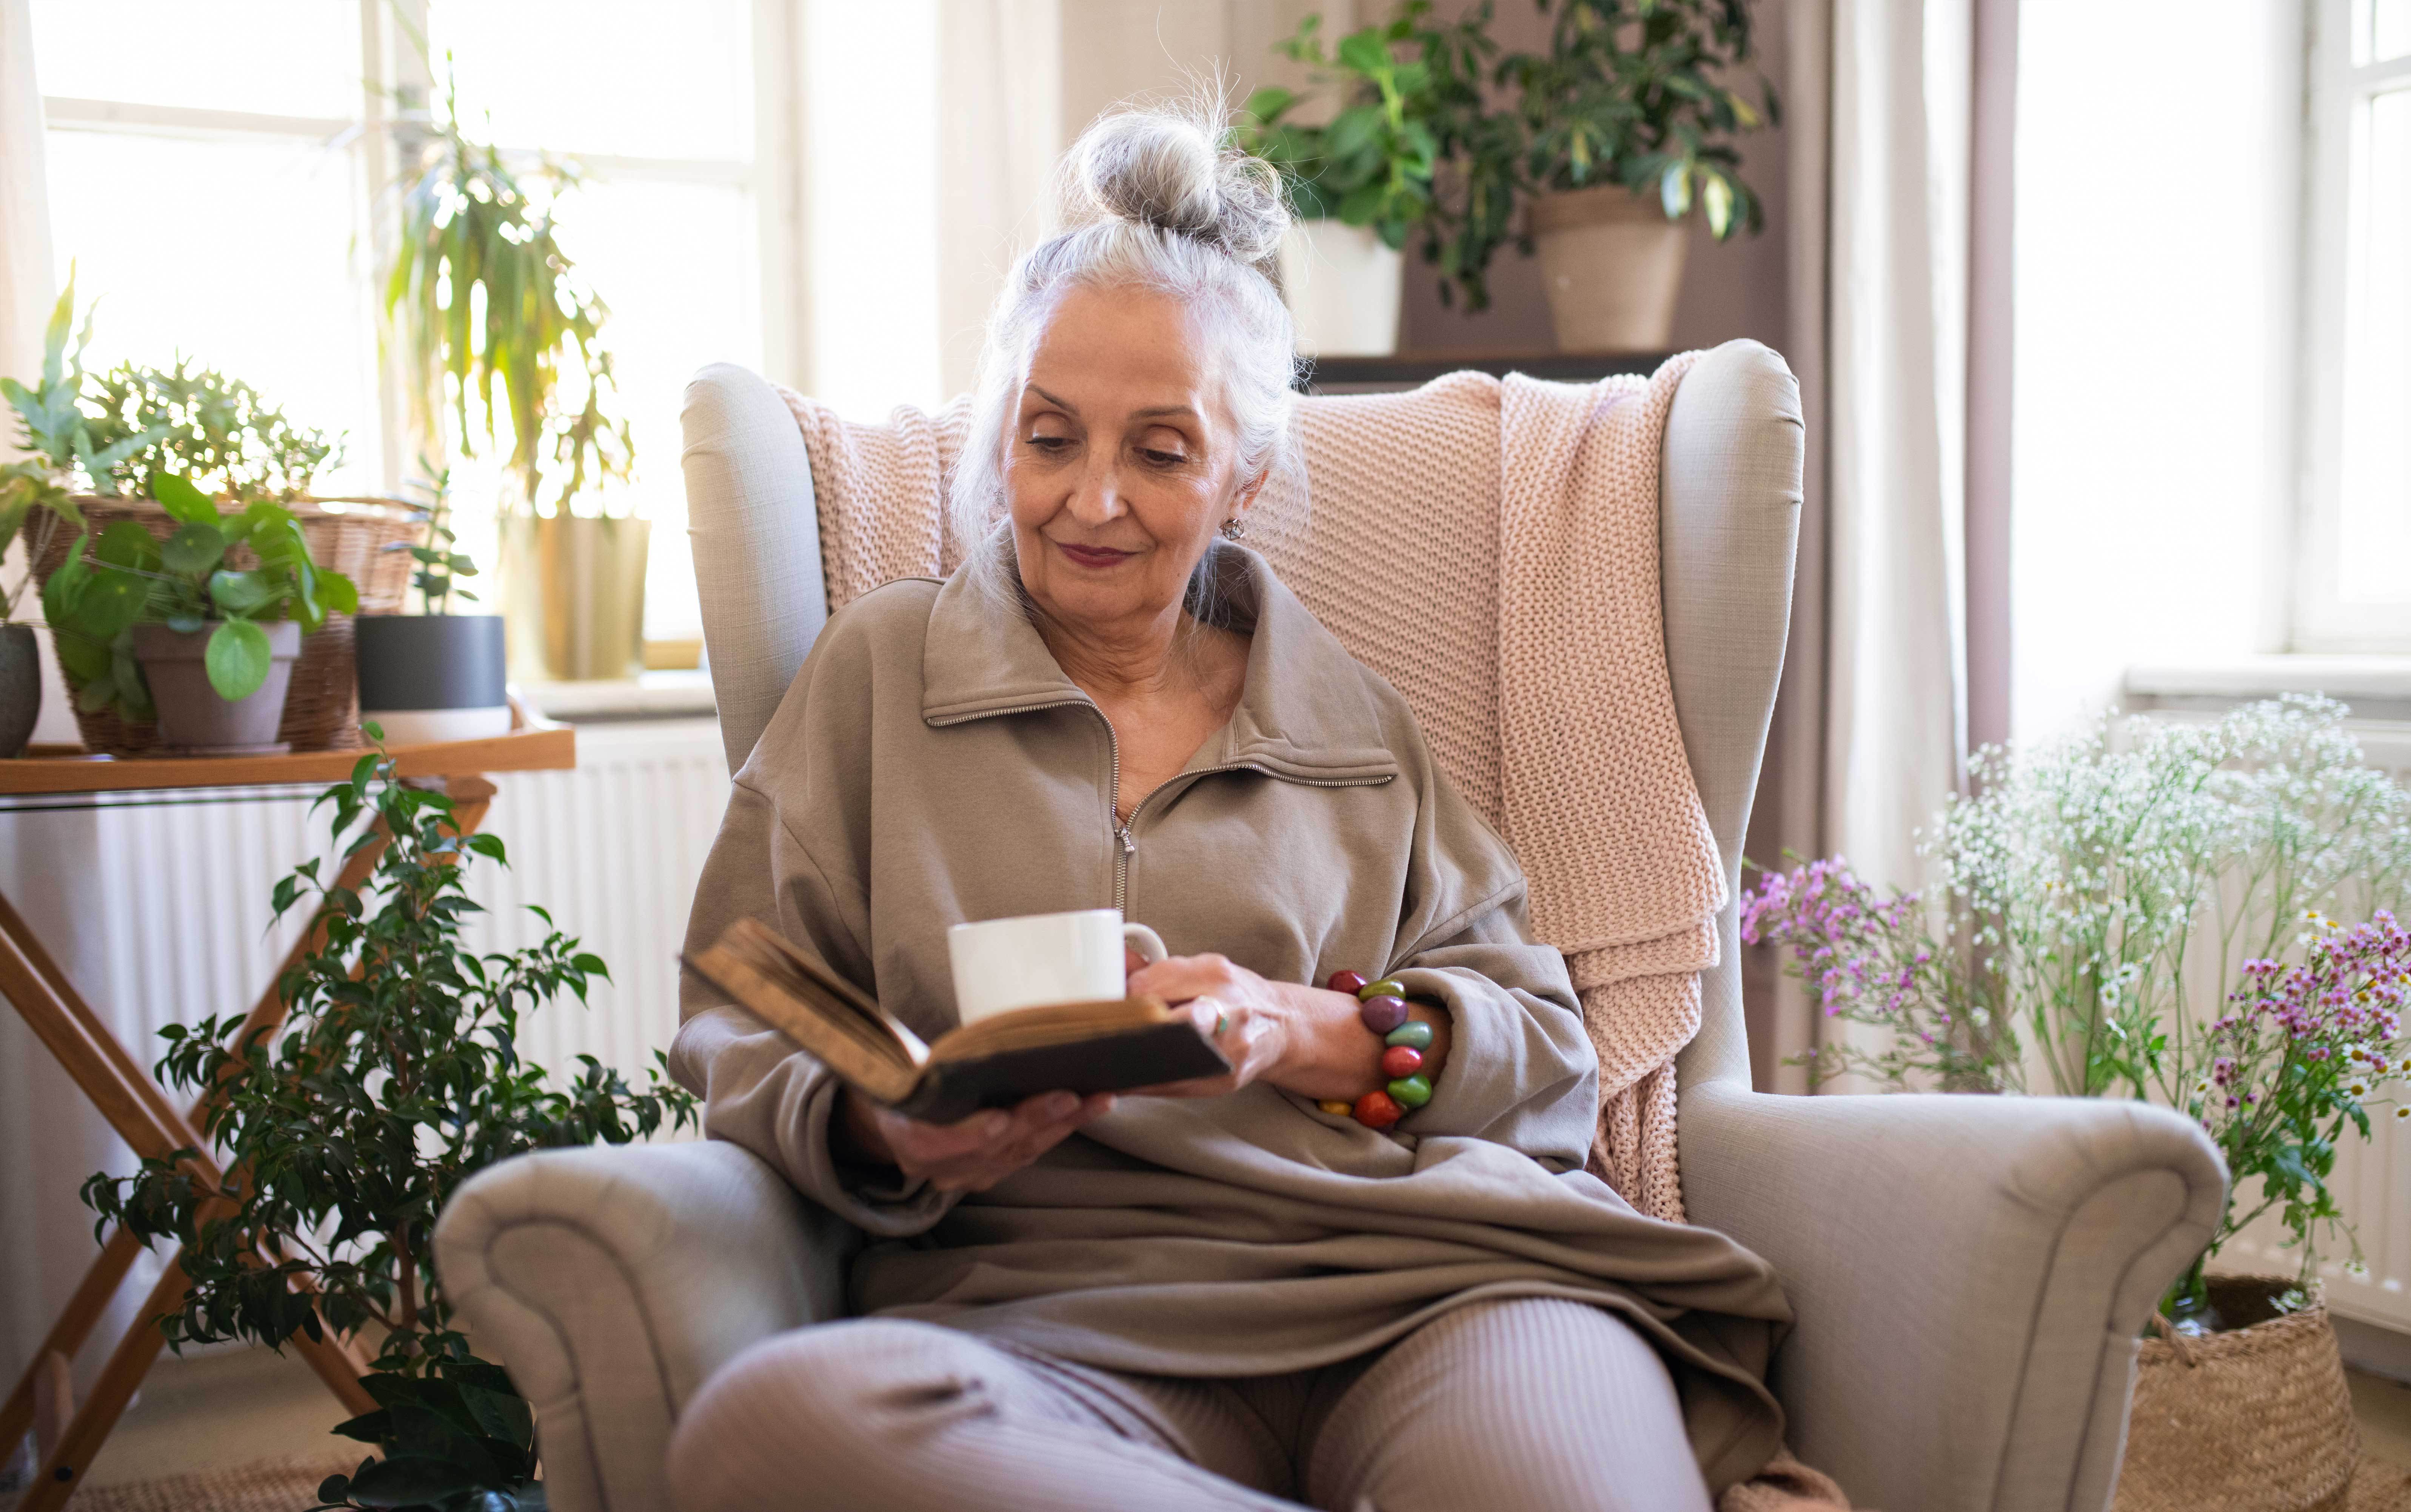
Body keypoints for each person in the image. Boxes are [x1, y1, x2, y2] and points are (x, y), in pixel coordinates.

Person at [665, 100, 1791, 1512]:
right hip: (1043, 1326)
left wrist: (1310, 1034)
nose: (1090, 500)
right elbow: (743, 995)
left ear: (1244, 474)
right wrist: (881, 1128)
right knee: (766, 1430)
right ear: (998, 444)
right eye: (1050, 437)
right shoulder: (881, 682)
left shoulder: (1352, 721)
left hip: (1437, 1291)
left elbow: (1547, 1053)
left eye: (1159, 450)